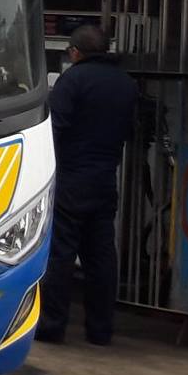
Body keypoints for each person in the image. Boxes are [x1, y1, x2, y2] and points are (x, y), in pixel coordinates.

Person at [40, 23, 138, 345]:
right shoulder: (125, 84)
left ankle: (52, 326)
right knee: (101, 257)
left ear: (74, 52)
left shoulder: (73, 80)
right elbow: (132, 130)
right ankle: (100, 330)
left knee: (61, 255)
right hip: (105, 179)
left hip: (71, 179)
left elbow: (55, 128)